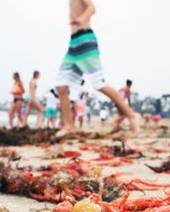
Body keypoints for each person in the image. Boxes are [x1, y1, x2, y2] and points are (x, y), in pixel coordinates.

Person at [55, 0, 140, 137]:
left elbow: (92, 7)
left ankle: (131, 115)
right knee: (61, 85)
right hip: (74, 43)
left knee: (100, 84)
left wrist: (80, 19)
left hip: (85, 40)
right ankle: (69, 126)